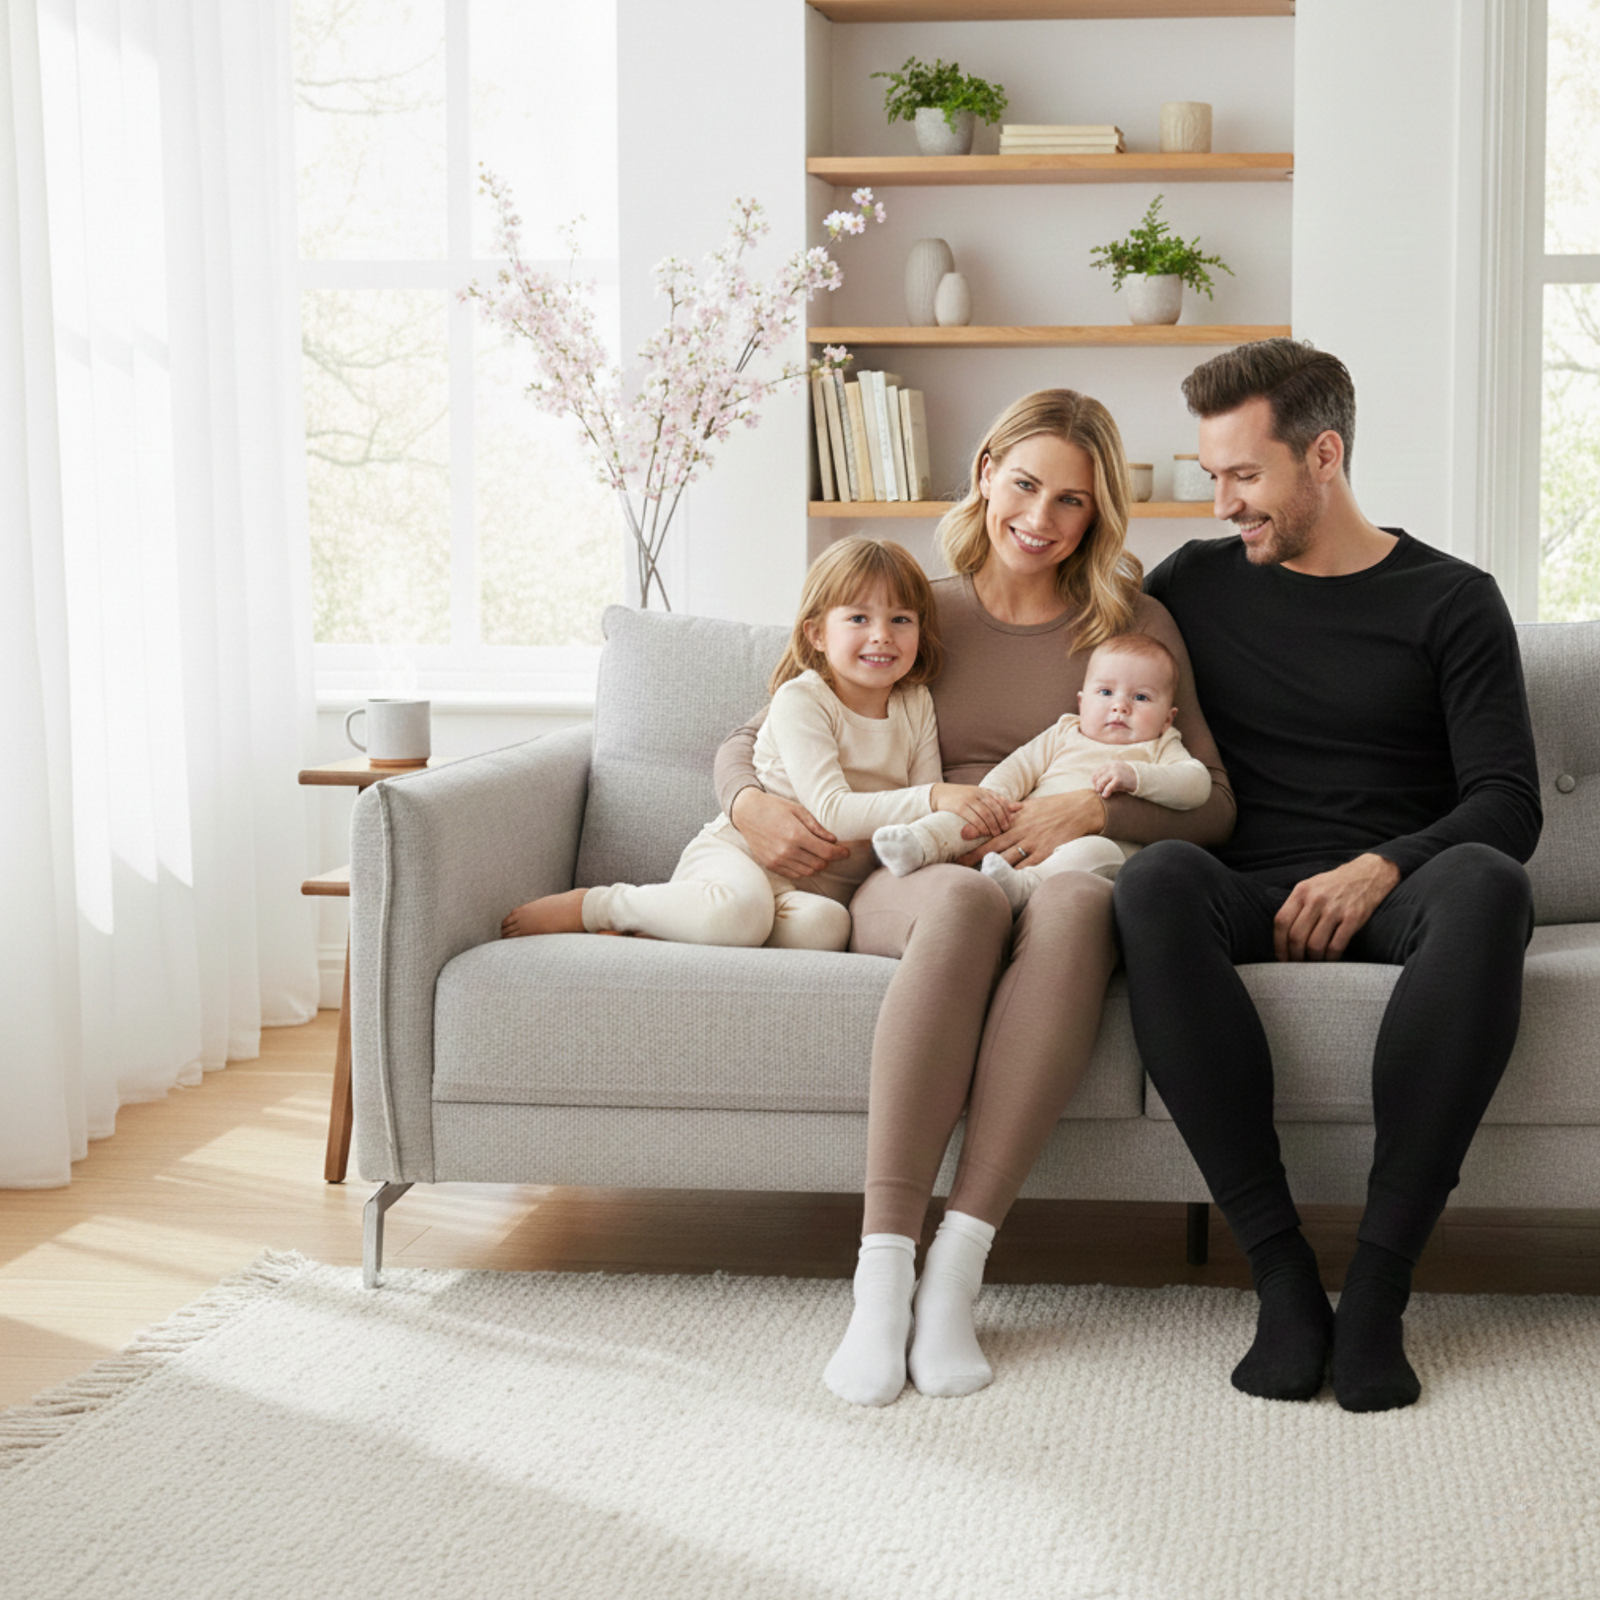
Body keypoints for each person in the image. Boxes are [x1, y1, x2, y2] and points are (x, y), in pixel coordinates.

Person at [714, 390, 1236, 1405]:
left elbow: (1213, 805)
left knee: (1083, 908)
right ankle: (883, 1274)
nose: (1040, 518)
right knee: (965, 903)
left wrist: (1094, 812)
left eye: (1072, 502)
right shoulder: (920, 605)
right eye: (1025, 484)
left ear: (1099, 516)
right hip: (918, 878)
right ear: (987, 469)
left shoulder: (1132, 625)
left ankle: (957, 1268)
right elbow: (764, 722)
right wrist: (742, 803)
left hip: (1061, 878)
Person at [1112, 338, 1542, 1413]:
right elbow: (1059, 653)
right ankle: (1282, 1276)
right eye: (1210, 475)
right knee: (1155, 879)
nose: (1221, 503)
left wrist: (1380, 866)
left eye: (1241, 476)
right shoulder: (1195, 585)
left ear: (1323, 457)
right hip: (1245, 885)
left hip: (1401, 894)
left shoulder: (1452, 599)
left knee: (1490, 881)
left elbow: (1507, 801)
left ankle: (1382, 1286)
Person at [501, 537, 1014, 950]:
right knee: (739, 913)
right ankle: (601, 905)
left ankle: (667, 927)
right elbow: (833, 811)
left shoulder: (914, 702)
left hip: (809, 893)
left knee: (827, 929)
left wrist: (959, 828)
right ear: (816, 634)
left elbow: (919, 819)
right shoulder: (803, 700)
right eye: (858, 618)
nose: (882, 634)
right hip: (739, 857)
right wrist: (938, 798)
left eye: (900, 619)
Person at [871, 630, 1210, 911]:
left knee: (1096, 852)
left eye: (1141, 698)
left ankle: (1023, 887)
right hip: (1018, 818)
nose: (1120, 706)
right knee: (972, 812)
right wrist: (992, 799)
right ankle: (920, 844)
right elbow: (1020, 766)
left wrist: (1138, 777)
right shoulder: (1065, 731)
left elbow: (1196, 785)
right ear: (1082, 702)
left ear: (1168, 717)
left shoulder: (1161, 745)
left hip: (1091, 853)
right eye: (1105, 692)